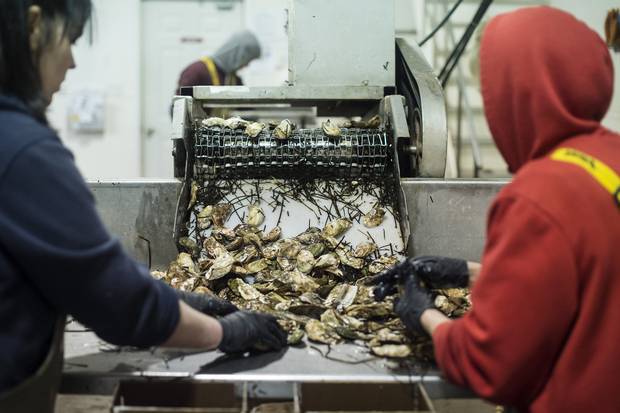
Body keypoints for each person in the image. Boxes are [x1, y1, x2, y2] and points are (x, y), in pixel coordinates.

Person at [0, 1, 286, 410]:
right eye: (72, 41)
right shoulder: (22, 151)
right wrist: (226, 333)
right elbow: (116, 303)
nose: (74, 63)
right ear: (33, 26)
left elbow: (75, 270)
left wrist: (172, 298)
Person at [376, 7, 620, 412]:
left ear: (516, 98)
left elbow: (491, 365)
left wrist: (425, 316)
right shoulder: (609, 158)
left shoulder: (539, 195)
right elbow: (592, 275)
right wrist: (469, 272)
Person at [177, 30, 261, 90]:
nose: (247, 65)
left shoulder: (234, 80)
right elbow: (178, 108)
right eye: (247, 60)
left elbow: (246, 108)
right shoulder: (195, 72)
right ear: (238, 54)